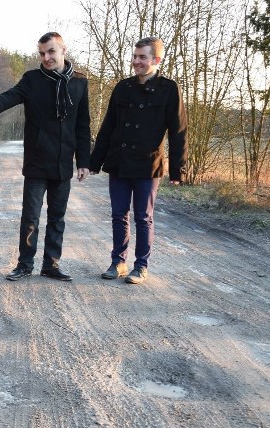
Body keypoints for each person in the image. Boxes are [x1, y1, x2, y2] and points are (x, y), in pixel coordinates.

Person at [0, 32, 90, 282]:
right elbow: (4, 100)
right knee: (31, 218)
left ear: (63, 50)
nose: (46, 57)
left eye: (50, 52)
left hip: (63, 164)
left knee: (57, 218)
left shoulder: (80, 83)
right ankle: (24, 265)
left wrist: (84, 161)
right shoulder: (32, 80)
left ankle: (51, 266)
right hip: (37, 162)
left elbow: (83, 125)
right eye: (42, 53)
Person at [90, 37, 187, 284]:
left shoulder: (169, 89)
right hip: (119, 162)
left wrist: (178, 169)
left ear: (156, 59)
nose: (136, 61)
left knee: (143, 217)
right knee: (118, 214)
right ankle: (118, 262)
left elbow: (178, 131)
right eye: (134, 57)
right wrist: (95, 161)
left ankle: (141, 266)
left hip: (148, 164)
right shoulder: (122, 88)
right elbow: (108, 126)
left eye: (142, 57)